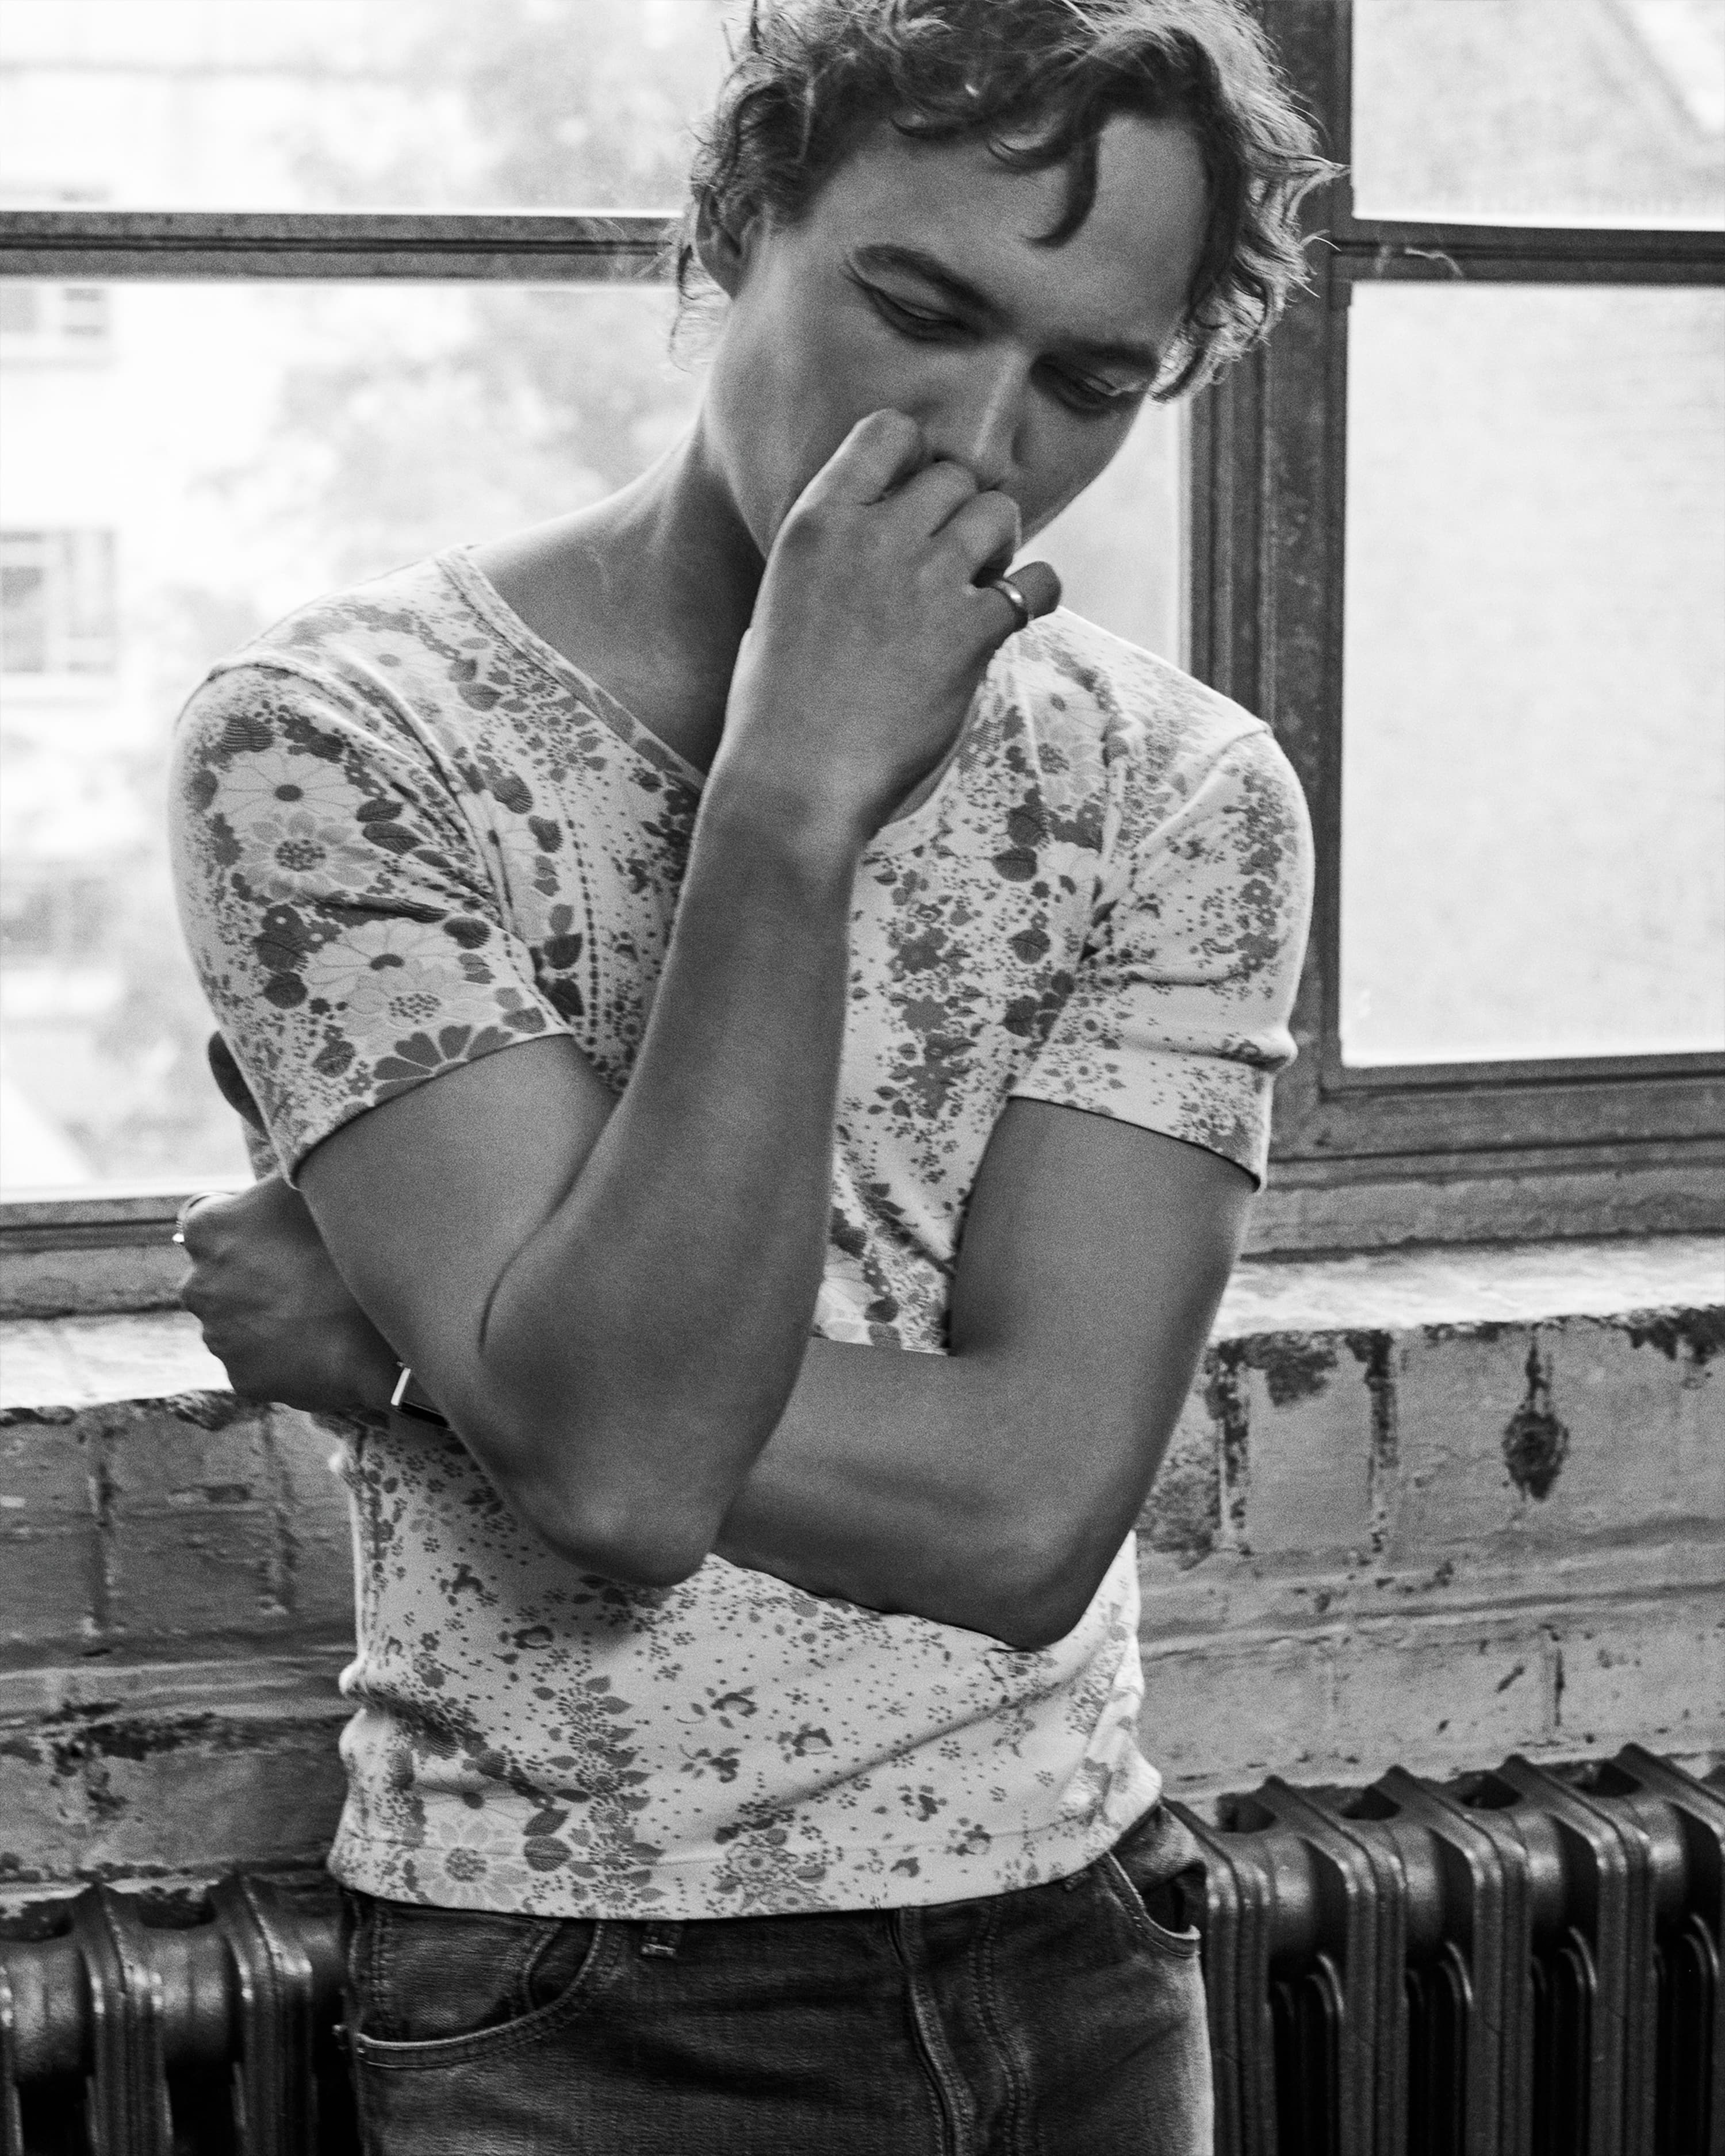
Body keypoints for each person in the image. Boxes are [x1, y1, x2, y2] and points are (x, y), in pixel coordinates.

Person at [170, 2, 1324, 2147]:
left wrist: (432, 1361)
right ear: (737, 220)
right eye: (921, 309)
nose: (979, 433)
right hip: (569, 1972)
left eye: (1089, 382)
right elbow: (623, 1485)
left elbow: (1025, 1514)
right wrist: (787, 796)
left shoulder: (1181, 791)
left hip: (1075, 1934)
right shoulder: (337, 742)